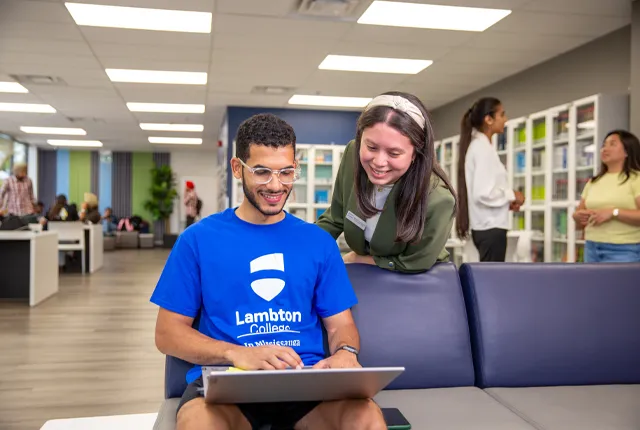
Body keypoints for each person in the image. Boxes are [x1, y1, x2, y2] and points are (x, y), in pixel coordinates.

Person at [150, 113, 386, 430]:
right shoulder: (198, 240)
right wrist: (237, 354)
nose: (276, 185)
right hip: (229, 382)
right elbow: (167, 334)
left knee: (367, 417)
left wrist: (345, 351)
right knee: (197, 424)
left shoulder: (318, 242)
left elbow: (340, 325)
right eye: (261, 172)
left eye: (286, 172)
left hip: (306, 381)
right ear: (238, 168)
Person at [316, 91, 457, 273]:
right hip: (366, 276)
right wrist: (303, 248)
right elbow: (335, 218)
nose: (379, 162)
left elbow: (415, 262)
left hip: (416, 282)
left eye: (394, 153)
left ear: (415, 153)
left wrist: (358, 259)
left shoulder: (438, 198)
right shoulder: (353, 155)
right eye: (371, 147)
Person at [455, 97, 525, 262]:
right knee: (491, 281)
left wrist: (506, 203)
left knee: (490, 278)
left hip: (488, 227)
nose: (505, 119)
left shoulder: (481, 147)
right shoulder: (482, 149)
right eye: (502, 114)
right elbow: (482, 194)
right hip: (490, 229)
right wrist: (512, 195)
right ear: (488, 119)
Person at [574, 130, 640, 262]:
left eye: (612, 144)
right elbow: (579, 220)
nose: (605, 149)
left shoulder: (636, 179)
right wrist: (577, 216)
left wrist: (614, 212)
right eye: (604, 145)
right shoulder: (593, 182)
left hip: (624, 249)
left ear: (627, 151)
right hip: (591, 247)